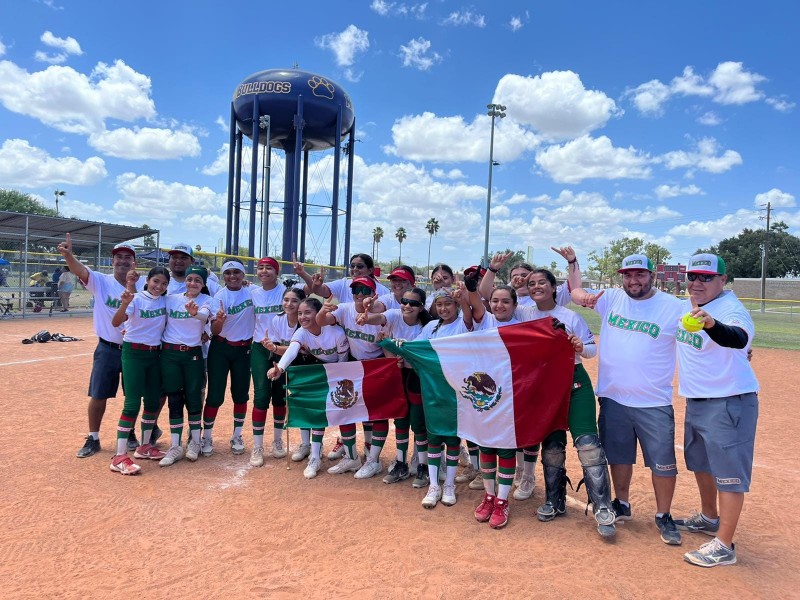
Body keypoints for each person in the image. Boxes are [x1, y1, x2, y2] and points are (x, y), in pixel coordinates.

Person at [572, 254, 683, 545]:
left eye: (640, 274)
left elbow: (701, 337)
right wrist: (574, 265)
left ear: (651, 275)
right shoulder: (610, 298)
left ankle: (664, 515)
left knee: (663, 463)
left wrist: (740, 350)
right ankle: (622, 503)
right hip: (614, 397)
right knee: (619, 456)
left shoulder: (674, 307)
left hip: (654, 401)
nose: (633, 280)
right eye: (628, 275)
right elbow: (576, 293)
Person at [673, 254, 759, 568]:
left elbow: (737, 338)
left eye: (706, 277)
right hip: (697, 399)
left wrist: (711, 324)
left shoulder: (730, 309)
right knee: (700, 463)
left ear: (723, 280)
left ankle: (724, 546)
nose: (697, 283)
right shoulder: (686, 304)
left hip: (729, 401)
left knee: (730, 475)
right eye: (692, 276)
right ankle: (709, 516)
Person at [518, 269, 616, 538]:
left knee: (588, 445)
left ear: (553, 287)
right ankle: (555, 500)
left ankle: (603, 506)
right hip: (545, 385)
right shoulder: (523, 313)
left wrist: (578, 346)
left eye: (542, 283)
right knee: (552, 446)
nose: (537, 286)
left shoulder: (569, 316)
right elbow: (494, 314)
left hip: (574, 382)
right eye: (532, 283)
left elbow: (591, 349)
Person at [58, 234, 144, 458]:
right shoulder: (101, 281)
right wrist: (68, 255)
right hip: (107, 347)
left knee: (133, 394)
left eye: (128, 257)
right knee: (98, 394)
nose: (123, 261)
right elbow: (80, 271)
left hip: (134, 349)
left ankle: (130, 432)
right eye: (119, 257)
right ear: (112, 261)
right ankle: (93, 437)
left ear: (134, 262)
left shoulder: (143, 284)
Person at [267, 297, 350, 479]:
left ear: (318, 313)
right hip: (318, 369)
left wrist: (337, 380)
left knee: (345, 411)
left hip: (340, 370)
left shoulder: (335, 332)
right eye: (299, 313)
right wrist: (280, 368)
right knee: (316, 410)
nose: (302, 317)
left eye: (307, 312)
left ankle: (349, 449)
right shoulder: (302, 332)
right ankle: (314, 456)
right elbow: (292, 350)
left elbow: (343, 361)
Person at [357, 287, 433, 485]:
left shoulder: (426, 326)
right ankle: (401, 463)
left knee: (418, 422)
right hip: (397, 374)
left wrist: (389, 346)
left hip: (416, 375)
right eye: (404, 302)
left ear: (421, 307)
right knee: (400, 419)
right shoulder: (394, 315)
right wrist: (365, 318)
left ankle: (423, 467)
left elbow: (413, 352)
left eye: (413, 303)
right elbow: (379, 318)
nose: (407, 306)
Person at [317, 277, 387, 478]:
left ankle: (373, 459)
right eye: (356, 289)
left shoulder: (382, 314)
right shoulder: (346, 308)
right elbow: (323, 322)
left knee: (377, 413)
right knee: (345, 408)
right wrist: (322, 313)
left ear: (374, 294)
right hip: (353, 363)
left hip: (377, 364)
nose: (359, 294)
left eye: (365, 290)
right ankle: (351, 456)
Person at [108, 266, 169, 474]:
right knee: (132, 403)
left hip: (155, 355)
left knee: (153, 401)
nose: (159, 286)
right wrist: (124, 303)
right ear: (148, 281)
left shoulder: (165, 301)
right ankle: (119, 456)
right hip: (133, 353)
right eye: (155, 281)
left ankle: (144, 447)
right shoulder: (135, 298)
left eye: (163, 283)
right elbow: (116, 322)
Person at [158, 265, 215, 467]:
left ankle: (195, 442)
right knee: (174, 397)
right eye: (190, 279)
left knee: (193, 396)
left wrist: (195, 313)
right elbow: (157, 319)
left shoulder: (206, 300)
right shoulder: (171, 299)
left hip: (192, 353)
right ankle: (175, 445)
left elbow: (205, 315)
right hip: (170, 353)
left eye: (197, 281)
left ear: (203, 284)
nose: (192, 283)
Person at [201, 260, 254, 457]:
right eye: (228, 272)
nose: (233, 276)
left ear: (243, 274)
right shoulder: (219, 297)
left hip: (244, 350)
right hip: (221, 348)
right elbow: (214, 330)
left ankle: (237, 436)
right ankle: (207, 436)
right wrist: (220, 322)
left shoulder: (252, 291)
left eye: (237, 272)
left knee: (241, 394)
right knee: (215, 395)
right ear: (223, 275)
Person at [263, 287, 314, 465]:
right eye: (286, 300)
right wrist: (274, 349)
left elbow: (299, 347)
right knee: (288, 402)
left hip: (305, 364)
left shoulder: (306, 322)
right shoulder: (277, 320)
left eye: (294, 300)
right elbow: (280, 347)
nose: (289, 304)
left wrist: (275, 348)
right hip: (284, 362)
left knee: (306, 403)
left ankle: (313, 444)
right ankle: (305, 443)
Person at [248, 257, 290, 466]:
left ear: (277, 271)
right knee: (261, 394)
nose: (264, 271)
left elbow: (307, 293)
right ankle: (257, 446)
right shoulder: (252, 292)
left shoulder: (285, 291)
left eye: (269, 268)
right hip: (259, 346)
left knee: (280, 395)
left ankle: (277, 441)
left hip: (281, 347)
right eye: (261, 268)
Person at [307, 253, 390, 304]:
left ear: (370, 270)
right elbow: (321, 291)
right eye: (352, 266)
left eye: (360, 266)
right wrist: (316, 286)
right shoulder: (343, 284)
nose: (355, 269)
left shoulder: (383, 291)